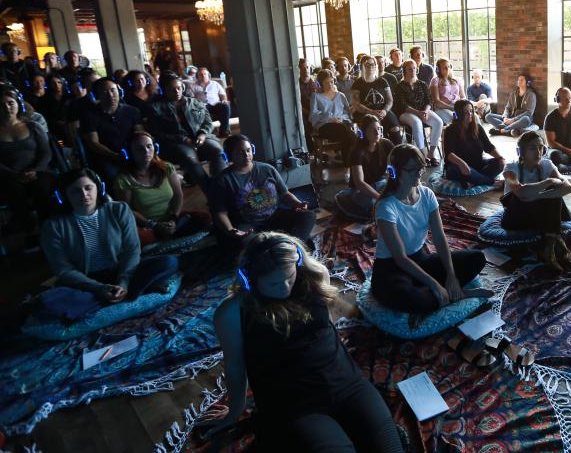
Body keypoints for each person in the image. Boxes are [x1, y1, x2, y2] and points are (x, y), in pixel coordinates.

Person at [204, 232, 403, 451]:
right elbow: (235, 367)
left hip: (346, 382)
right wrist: (235, 411)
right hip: (295, 404)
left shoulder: (315, 277)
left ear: (298, 262)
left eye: (289, 277)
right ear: (248, 279)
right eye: (273, 283)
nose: (284, 287)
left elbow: (323, 325)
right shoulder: (232, 312)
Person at [372, 144, 491, 313]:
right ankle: (447, 294)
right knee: (406, 296)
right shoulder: (386, 206)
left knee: (477, 258)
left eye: (421, 167)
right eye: (412, 169)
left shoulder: (427, 194)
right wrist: (434, 284)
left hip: (420, 258)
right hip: (391, 268)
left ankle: (439, 294)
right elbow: (400, 258)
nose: (419, 173)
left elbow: (439, 237)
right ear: (395, 172)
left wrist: (451, 275)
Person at [39, 168, 179, 303]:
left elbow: (132, 250)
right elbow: (63, 270)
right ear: (64, 196)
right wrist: (98, 288)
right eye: (75, 191)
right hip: (86, 280)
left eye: (88, 188)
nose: (84, 194)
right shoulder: (53, 226)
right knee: (53, 299)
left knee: (169, 262)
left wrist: (123, 282)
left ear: (98, 188)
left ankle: (117, 294)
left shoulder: (119, 210)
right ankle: (129, 294)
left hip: (122, 270)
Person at [209, 134, 314, 250]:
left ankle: (290, 248)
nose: (246, 155)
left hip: (275, 216)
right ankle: (288, 246)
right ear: (228, 156)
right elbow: (220, 213)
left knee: (308, 216)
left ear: (252, 150)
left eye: (248, 150)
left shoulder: (267, 169)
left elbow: (285, 193)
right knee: (243, 243)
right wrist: (230, 230)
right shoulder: (222, 180)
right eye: (240, 152)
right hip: (249, 225)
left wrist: (299, 204)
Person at [113, 132, 211, 245]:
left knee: (205, 217)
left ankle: (169, 237)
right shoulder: (123, 180)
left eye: (149, 146)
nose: (146, 151)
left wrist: (173, 219)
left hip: (170, 219)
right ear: (129, 153)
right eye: (139, 149)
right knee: (138, 238)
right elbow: (128, 211)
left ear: (155, 147)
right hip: (146, 225)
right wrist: (152, 225)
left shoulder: (166, 168)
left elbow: (178, 195)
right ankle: (172, 239)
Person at [501, 131, 571, 273]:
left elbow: (568, 187)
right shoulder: (510, 168)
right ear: (521, 151)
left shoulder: (547, 164)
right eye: (532, 148)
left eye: (541, 147)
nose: (538, 152)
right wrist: (547, 182)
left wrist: (536, 195)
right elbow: (520, 193)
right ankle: (555, 240)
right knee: (548, 194)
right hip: (516, 216)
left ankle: (549, 246)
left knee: (555, 196)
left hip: (538, 212)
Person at [146, 73, 226, 188]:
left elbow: (207, 122)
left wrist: (203, 134)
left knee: (217, 150)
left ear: (183, 88)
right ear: (164, 91)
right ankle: (212, 191)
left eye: (179, 88)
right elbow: (157, 133)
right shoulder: (155, 108)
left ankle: (222, 187)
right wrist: (183, 139)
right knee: (190, 157)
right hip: (175, 143)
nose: (177, 92)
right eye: (172, 90)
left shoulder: (194, 102)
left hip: (200, 138)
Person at [0, 87, 54, 230]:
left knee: (42, 188)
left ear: (18, 104)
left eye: (10, 103)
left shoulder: (33, 126)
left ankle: (48, 227)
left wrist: (35, 170)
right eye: (2, 104)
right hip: (9, 175)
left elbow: (46, 153)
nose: (7, 108)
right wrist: (15, 174)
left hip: (38, 171)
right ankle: (28, 230)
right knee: (15, 192)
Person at [81, 78, 143, 181]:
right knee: (114, 176)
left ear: (119, 91)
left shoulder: (132, 111)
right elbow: (93, 143)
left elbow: (139, 133)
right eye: (105, 92)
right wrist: (115, 156)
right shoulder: (89, 116)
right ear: (97, 95)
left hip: (132, 153)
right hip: (106, 156)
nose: (110, 95)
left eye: (113, 90)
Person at [443, 99, 505, 186]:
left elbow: (489, 147)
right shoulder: (450, 130)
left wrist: (500, 158)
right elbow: (449, 154)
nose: (470, 114)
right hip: (458, 166)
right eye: (466, 112)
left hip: (476, 165)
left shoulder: (478, 128)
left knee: (498, 163)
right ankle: (491, 182)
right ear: (459, 114)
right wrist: (462, 164)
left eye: (471, 111)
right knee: (456, 170)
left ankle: (474, 180)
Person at [342, 115, 394, 219]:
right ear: (364, 131)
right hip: (361, 190)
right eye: (372, 129)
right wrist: (379, 197)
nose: (377, 132)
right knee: (368, 201)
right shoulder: (357, 151)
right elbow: (359, 183)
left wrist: (395, 180)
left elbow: (396, 165)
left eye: (379, 129)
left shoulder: (386, 144)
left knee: (396, 191)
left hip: (380, 183)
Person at [393, 60, 444, 166]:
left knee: (438, 122)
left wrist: (425, 111)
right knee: (417, 122)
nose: (412, 70)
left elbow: (429, 100)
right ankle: (423, 154)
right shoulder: (400, 86)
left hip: (423, 111)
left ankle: (431, 154)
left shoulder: (422, 84)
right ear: (404, 71)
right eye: (409, 69)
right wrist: (419, 113)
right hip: (405, 113)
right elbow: (403, 105)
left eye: (414, 68)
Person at [352, 56, 403, 145]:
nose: (371, 67)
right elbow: (356, 104)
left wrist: (384, 111)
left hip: (383, 110)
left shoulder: (382, 81)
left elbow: (390, 100)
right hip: (365, 113)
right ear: (362, 66)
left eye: (373, 64)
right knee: (374, 129)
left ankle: (395, 152)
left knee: (395, 128)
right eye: (367, 64)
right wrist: (371, 112)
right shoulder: (357, 83)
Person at [309, 69, 355, 157]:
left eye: (331, 81)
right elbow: (313, 116)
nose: (330, 85)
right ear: (321, 83)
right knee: (349, 134)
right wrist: (330, 119)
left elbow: (347, 113)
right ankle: (350, 162)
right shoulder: (316, 96)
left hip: (342, 123)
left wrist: (341, 118)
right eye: (326, 82)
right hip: (325, 126)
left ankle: (347, 161)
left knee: (345, 130)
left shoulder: (340, 95)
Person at [190, 67, 232, 138]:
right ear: (197, 76)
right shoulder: (193, 86)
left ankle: (223, 132)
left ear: (208, 75)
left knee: (225, 106)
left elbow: (223, 94)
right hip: (201, 106)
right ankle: (204, 133)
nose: (203, 76)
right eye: (201, 75)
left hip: (216, 104)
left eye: (205, 74)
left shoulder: (215, 84)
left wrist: (224, 100)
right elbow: (190, 99)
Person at [430, 58, 465, 124]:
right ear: (438, 70)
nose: (447, 69)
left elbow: (463, 97)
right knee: (455, 118)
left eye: (449, 67)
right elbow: (436, 101)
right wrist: (452, 108)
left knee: (474, 117)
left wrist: (462, 107)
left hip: (457, 108)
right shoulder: (435, 80)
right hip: (441, 109)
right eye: (444, 67)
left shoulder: (457, 80)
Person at [37, 74, 71, 141]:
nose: (57, 85)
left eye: (59, 82)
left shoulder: (69, 97)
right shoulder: (44, 99)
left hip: (70, 126)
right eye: (53, 83)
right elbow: (44, 116)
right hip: (54, 129)